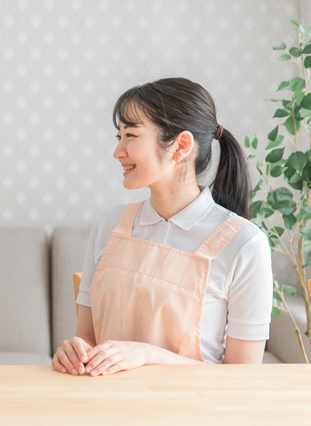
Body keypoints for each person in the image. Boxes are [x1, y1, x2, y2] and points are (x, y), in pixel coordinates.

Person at [53, 77, 272, 376]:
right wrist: (74, 351)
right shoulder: (108, 226)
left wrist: (146, 354)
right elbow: (88, 338)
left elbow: (244, 376)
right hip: (107, 409)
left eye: (130, 135)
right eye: (118, 136)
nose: (118, 151)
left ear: (181, 145)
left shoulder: (245, 244)